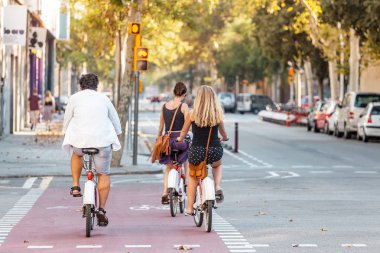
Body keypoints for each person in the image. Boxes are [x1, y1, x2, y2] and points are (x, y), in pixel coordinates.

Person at [62, 73, 122, 227]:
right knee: (103, 174)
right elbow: (116, 122)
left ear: (81, 85)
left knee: (76, 155)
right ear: (97, 85)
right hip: (102, 143)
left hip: (81, 142)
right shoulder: (104, 99)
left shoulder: (74, 98)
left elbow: (67, 119)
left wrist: (65, 130)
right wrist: (117, 132)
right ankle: (101, 210)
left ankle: (75, 186)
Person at [177, 85, 228, 216]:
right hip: (215, 149)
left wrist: (180, 139)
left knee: (193, 177)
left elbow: (183, 132)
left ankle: (189, 208)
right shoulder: (217, 113)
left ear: (198, 98)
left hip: (197, 150)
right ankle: (217, 186)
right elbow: (223, 133)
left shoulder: (192, 114)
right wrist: (225, 138)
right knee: (217, 165)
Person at [157, 82, 189, 204]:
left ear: (173, 92)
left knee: (168, 167)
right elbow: (187, 125)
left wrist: (158, 140)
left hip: (167, 141)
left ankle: (165, 192)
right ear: (184, 94)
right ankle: (186, 181)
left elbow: (160, 127)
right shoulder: (184, 107)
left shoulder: (164, 106)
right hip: (179, 140)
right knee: (187, 154)